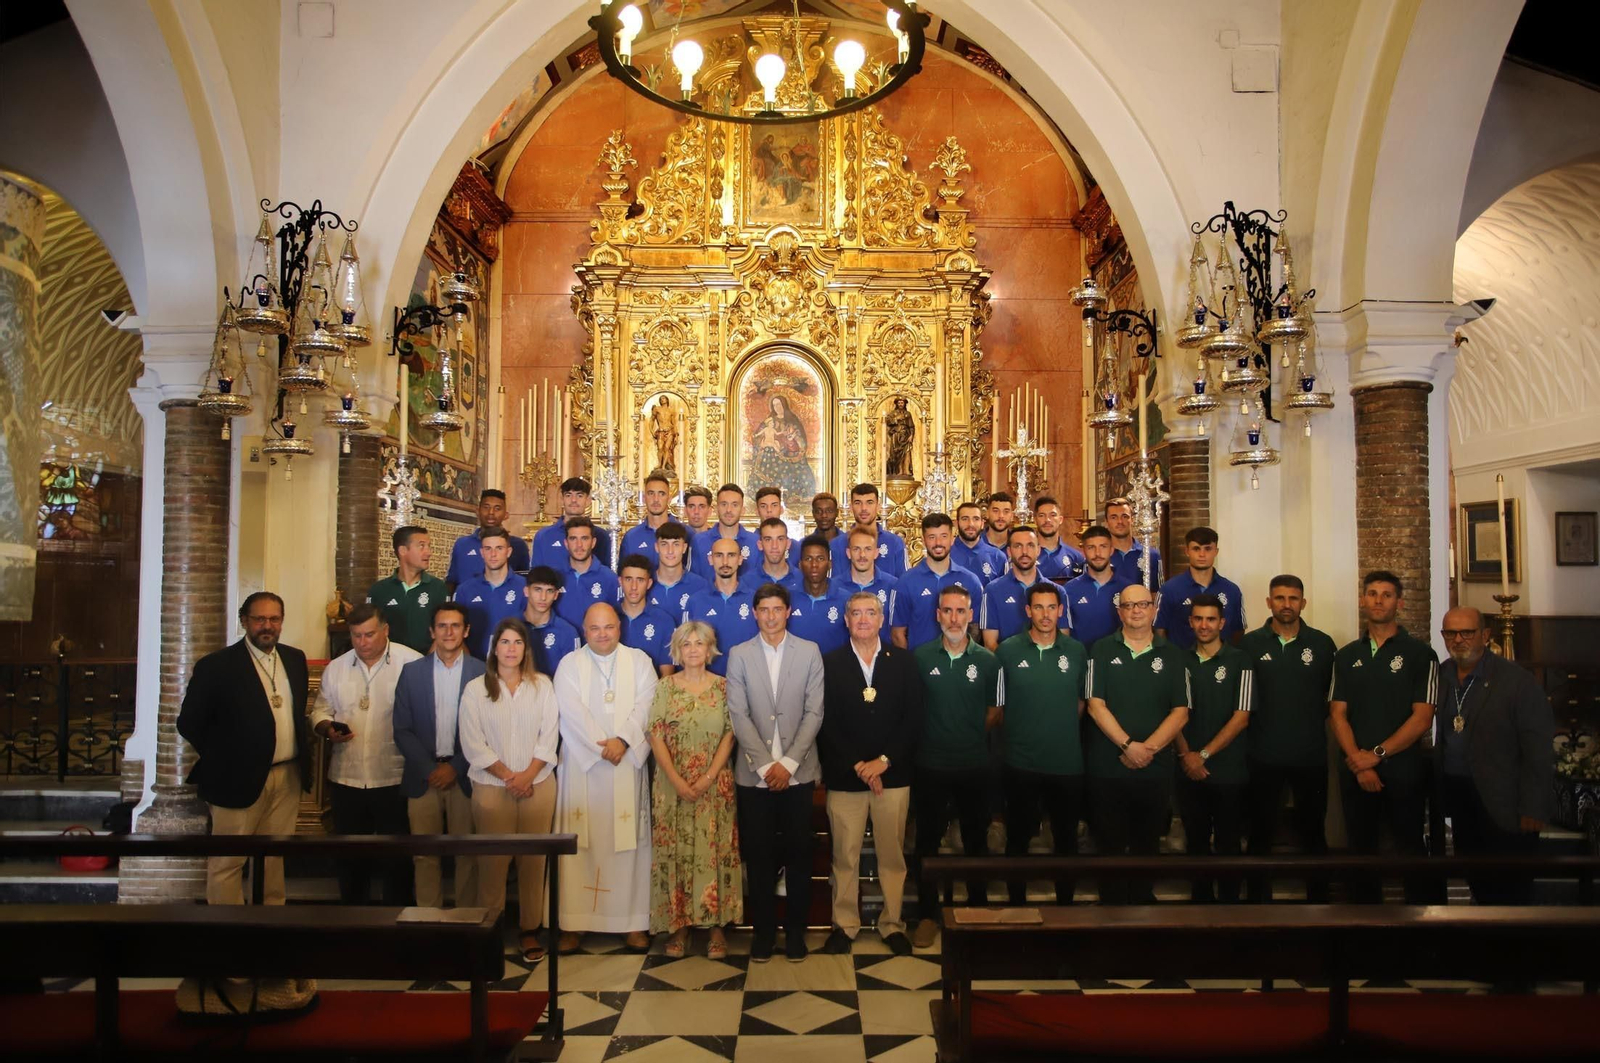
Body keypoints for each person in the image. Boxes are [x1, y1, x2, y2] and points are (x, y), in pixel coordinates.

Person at [177, 591, 311, 906]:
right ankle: (229, 931)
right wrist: (226, 758)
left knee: (274, 859)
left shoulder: (294, 659)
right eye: (259, 619)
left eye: (274, 619)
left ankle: (270, 923)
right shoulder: (217, 666)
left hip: (286, 775)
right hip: (235, 779)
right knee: (228, 861)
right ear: (244, 622)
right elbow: (189, 723)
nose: (267, 625)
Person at [725, 583, 826, 963]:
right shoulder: (739, 655)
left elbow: (815, 712)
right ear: (755, 613)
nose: (770, 616)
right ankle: (764, 934)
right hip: (754, 776)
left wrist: (788, 765)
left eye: (776, 609)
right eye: (763, 609)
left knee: (800, 854)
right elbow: (738, 713)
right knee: (760, 857)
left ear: (788, 612)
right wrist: (767, 766)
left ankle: (796, 933)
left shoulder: (809, 652)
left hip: (799, 773)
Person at [554, 603, 658, 953]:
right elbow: (569, 711)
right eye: (595, 628)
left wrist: (624, 741)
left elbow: (647, 704)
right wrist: (603, 746)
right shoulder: (570, 664)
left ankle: (631, 923)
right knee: (580, 844)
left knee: (628, 843)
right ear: (585, 630)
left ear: (620, 627)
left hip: (626, 763)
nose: (602, 634)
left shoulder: (640, 661)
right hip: (584, 767)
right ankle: (574, 922)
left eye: (609, 627)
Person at [819, 592, 920, 956]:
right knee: (844, 856)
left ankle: (892, 924)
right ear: (846, 620)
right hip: (847, 777)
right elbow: (825, 720)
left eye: (871, 613)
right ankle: (844, 925)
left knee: (891, 855)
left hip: (892, 776)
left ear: (882, 620)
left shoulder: (904, 662)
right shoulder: (829, 663)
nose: (863, 619)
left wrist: (884, 760)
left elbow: (913, 718)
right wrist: (859, 765)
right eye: (856, 613)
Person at [1330, 570, 1438, 903]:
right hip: (1356, 770)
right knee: (1361, 850)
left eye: (1387, 594)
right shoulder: (1347, 655)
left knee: (1410, 847)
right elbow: (1338, 714)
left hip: (1403, 770)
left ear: (1400, 602)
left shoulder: (1422, 655)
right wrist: (1360, 764)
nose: (1379, 600)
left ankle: (1420, 927)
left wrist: (1375, 755)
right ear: (1363, 600)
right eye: (1372, 593)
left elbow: (1422, 718)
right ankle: (1364, 924)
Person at [1435, 606, 1554, 904]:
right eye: (1451, 633)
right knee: (1476, 878)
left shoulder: (1516, 681)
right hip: (1462, 797)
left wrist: (1534, 807)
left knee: (1511, 890)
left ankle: (1512, 947)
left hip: (1506, 803)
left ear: (1485, 636)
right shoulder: (1443, 675)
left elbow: (1538, 750)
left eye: (1467, 632)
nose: (1458, 639)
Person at [459, 617, 560, 962]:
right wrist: (509, 777)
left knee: (533, 862)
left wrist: (527, 775)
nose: (511, 649)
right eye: (505, 642)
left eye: (518, 643)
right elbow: (473, 744)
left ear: (526, 649)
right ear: (493, 648)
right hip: (491, 788)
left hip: (538, 785)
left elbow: (550, 737)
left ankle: (529, 931)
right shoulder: (476, 689)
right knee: (492, 864)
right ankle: (492, 930)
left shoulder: (542, 686)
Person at [310, 603, 424, 905]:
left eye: (370, 634)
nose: (363, 642)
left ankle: (397, 924)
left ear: (385, 630)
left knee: (397, 859)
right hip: (347, 777)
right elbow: (320, 709)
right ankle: (353, 921)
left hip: (394, 777)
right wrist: (326, 727)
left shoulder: (411, 663)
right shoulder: (337, 667)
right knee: (351, 857)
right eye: (357, 635)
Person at [1084, 583, 1190, 904]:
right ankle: (1111, 906)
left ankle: (1143, 904)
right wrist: (1128, 745)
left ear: (1154, 610)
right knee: (1109, 843)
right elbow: (1094, 704)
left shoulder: (1173, 655)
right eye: (1129, 606)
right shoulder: (1100, 650)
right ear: (1120, 612)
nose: (1136, 611)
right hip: (1108, 767)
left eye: (1143, 604)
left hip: (1154, 769)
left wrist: (1148, 750)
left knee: (1147, 843)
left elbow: (1180, 712)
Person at [909, 584, 1000, 948]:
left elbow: (995, 710)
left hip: (974, 765)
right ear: (937, 615)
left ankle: (977, 911)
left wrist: (967, 734)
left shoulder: (987, 661)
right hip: (930, 765)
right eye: (947, 611)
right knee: (927, 843)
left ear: (971, 615)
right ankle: (927, 915)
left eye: (960, 611)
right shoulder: (920, 658)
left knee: (976, 841)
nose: (953, 618)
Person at [1239, 575, 1336, 902]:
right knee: (1260, 833)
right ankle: (1257, 901)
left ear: (1303, 603)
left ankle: (1319, 901)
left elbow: (1330, 700)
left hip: (1310, 755)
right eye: (1279, 598)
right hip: (1262, 754)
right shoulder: (1250, 645)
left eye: (1293, 598)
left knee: (1313, 832)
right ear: (1269, 602)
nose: (1286, 604)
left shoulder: (1322, 644)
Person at [647, 621, 740, 959]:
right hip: (672, 786)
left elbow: (731, 733)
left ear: (710, 649)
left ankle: (716, 927)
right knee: (676, 853)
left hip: (714, 785)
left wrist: (707, 777)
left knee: (714, 850)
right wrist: (676, 778)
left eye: (700, 644)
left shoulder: (725, 687)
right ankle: (679, 926)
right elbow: (654, 734)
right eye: (686, 644)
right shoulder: (665, 688)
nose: (693, 650)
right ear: (678, 650)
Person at [996, 583, 1087, 905]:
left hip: (1066, 764)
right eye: (1039, 608)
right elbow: (999, 706)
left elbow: (1081, 703)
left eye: (1052, 608)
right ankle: (1016, 904)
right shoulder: (1008, 650)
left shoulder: (1076, 651)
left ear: (1061, 611)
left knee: (1065, 840)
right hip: (1021, 762)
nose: (1045, 615)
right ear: (1028, 611)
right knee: (1018, 839)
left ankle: (1066, 905)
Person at [393, 602, 484, 909]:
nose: (448, 632)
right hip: (423, 777)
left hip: (465, 776)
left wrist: (455, 767)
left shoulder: (482, 672)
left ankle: (467, 922)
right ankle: (427, 919)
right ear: (432, 631)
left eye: (455, 626)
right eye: (442, 626)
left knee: (467, 854)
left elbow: (485, 730)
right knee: (424, 855)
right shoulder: (411, 672)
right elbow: (402, 728)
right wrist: (430, 767)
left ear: (466, 631)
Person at [1175, 594, 1253, 902]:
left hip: (1228, 771)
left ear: (1222, 623)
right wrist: (1186, 756)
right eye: (1198, 619)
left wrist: (1203, 755)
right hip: (1188, 770)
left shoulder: (1240, 661)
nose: (1204, 625)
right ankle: (1200, 907)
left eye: (1210, 619)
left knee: (1228, 844)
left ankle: (1230, 909)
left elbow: (1242, 717)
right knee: (1195, 843)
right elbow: (1174, 714)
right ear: (1190, 622)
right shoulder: (1179, 660)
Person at [891, 513, 980, 651]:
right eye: (932, 537)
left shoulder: (970, 581)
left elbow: (975, 628)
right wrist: (910, 665)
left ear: (952, 538)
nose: (938, 543)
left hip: (960, 667)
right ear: (923, 540)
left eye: (943, 536)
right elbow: (898, 634)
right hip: (919, 666)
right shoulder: (905, 582)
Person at [980, 525, 1070, 650]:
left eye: (1030, 545)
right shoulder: (992, 590)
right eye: (1018, 546)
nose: (1024, 552)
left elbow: (1063, 642)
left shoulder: (1058, 592)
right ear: (1009, 551)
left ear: (1038, 550)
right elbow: (990, 644)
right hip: (1008, 667)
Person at [1155, 527, 1246, 649]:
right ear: (1187, 551)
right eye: (1196, 549)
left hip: (1221, 665)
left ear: (1216, 551)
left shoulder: (1232, 591)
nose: (1202, 554)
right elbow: (1159, 630)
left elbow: (1238, 631)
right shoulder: (1168, 590)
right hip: (1181, 663)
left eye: (1208, 549)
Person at [683, 536, 759, 677]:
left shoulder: (756, 600)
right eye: (719, 555)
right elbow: (684, 648)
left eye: (731, 555)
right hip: (707, 686)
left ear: (740, 559)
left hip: (748, 681)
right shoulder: (695, 601)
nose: (725, 562)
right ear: (711, 560)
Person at [367, 525, 449, 654]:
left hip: (427, 662)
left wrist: (425, 663)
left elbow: (445, 631)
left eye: (429, 546)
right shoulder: (379, 590)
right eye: (421, 546)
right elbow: (370, 631)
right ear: (403, 550)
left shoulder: (438, 588)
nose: (429, 552)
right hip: (389, 663)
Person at [454, 529, 526, 659]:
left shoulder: (524, 588)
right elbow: (457, 632)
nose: (493, 554)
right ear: (481, 552)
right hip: (475, 664)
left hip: (512, 665)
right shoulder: (465, 590)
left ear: (508, 552)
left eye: (499, 548)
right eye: (488, 548)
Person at [1061, 525, 1131, 650]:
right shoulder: (1069, 589)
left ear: (1111, 550)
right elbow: (1064, 634)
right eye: (1091, 547)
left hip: (1119, 662)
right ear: (1083, 551)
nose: (1097, 553)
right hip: (1082, 661)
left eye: (1103, 547)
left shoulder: (1127, 588)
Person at [446, 489, 530, 591]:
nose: (491, 512)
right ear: (477, 511)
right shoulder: (462, 544)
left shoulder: (518, 546)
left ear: (506, 515)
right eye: (486, 507)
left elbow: (524, 580)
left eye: (497, 508)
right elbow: (452, 581)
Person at [531, 477, 615, 571]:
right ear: (562, 499)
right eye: (568, 495)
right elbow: (536, 575)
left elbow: (605, 573)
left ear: (588, 500)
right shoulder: (544, 536)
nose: (573, 500)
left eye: (579, 495)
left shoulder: (601, 536)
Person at [785, 535, 851, 655]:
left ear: (830, 564)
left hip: (834, 672)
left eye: (820, 558)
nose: (814, 564)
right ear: (800, 565)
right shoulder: (787, 597)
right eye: (808, 559)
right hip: (796, 671)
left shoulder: (846, 599)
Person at [829, 482, 908, 578]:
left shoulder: (895, 543)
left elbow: (905, 583)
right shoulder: (837, 544)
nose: (864, 508)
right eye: (858, 503)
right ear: (851, 507)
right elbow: (830, 585)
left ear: (878, 506)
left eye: (869, 502)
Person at [556, 517, 621, 632]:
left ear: (593, 542)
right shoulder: (555, 577)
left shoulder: (610, 579)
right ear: (566, 543)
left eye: (584, 538)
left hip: (596, 647)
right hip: (563, 647)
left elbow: (617, 618)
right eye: (573, 539)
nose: (579, 545)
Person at [617, 553, 677, 677]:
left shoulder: (664, 621)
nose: (634, 587)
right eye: (628, 579)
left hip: (650, 693)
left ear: (649, 583)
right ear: (620, 581)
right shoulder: (609, 616)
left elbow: (666, 678)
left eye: (640, 580)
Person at [833, 525, 899, 636]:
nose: (862, 555)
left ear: (876, 553)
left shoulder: (893, 586)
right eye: (856, 549)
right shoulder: (834, 587)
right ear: (848, 553)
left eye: (868, 549)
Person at [521, 565, 582, 677]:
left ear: (556, 595)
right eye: (537, 589)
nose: (543, 597)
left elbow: (574, 677)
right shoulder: (509, 628)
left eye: (549, 591)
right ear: (526, 591)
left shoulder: (568, 633)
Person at [620, 471, 686, 569]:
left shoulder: (686, 533)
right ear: (644, 498)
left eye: (661, 494)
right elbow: (624, 576)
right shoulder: (631, 537)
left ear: (669, 499)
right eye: (651, 493)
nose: (656, 499)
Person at [693, 482, 760, 576]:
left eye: (735, 505)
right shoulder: (699, 541)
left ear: (743, 510)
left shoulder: (755, 542)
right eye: (724, 504)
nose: (729, 510)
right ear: (716, 509)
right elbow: (694, 579)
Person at [647, 522, 708, 615]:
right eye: (664, 544)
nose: (670, 551)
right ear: (656, 547)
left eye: (676, 544)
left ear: (684, 548)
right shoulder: (645, 584)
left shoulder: (700, 586)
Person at [1104, 496, 1161, 589]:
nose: (1120, 522)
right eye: (1114, 517)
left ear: (1132, 520)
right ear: (1106, 522)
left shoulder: (1151, 555)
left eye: (1125, 516)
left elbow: (1158, 594)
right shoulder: (1101, 556)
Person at [740, 516, 802, 594]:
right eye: (768, 540)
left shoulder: (802, 580)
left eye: (780, 539)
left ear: (788, 544)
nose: (774, 546)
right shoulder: (746, 581)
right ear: (760, 545)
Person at [952, 501, 1007, 584]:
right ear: (956, 524)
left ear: (982, 524)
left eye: (976, 519)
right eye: (965, 519)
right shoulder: (945, 555)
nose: (970, 524)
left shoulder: (997, 557)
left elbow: (1004, 593)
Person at [1033, 496, 1085, 581]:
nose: (1047, 520)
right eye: (1042, 515)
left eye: (1052, 515)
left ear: (1060, 519)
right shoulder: (1027, 555)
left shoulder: (1075, 557)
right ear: (1035, 520)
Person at [755, 485, 805, 553]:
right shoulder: (748, 544)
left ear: (781, 509)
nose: (769, 510)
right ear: (757, 511)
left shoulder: (796, 547)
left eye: (774, 505)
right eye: (763, 506)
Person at [885, 396, 916, 477]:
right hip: (896, 436)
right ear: (897, 404)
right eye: (899, 403)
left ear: (904, 404)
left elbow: (911, 426)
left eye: (902, 403)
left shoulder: (907, 414)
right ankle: (899, 471)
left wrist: (911, 436)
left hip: (906, 435)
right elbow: (887, 421)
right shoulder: (893, 413)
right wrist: (897, 419)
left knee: (906, 453)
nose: (900, 404)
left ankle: (906, 470)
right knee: (896, 454)